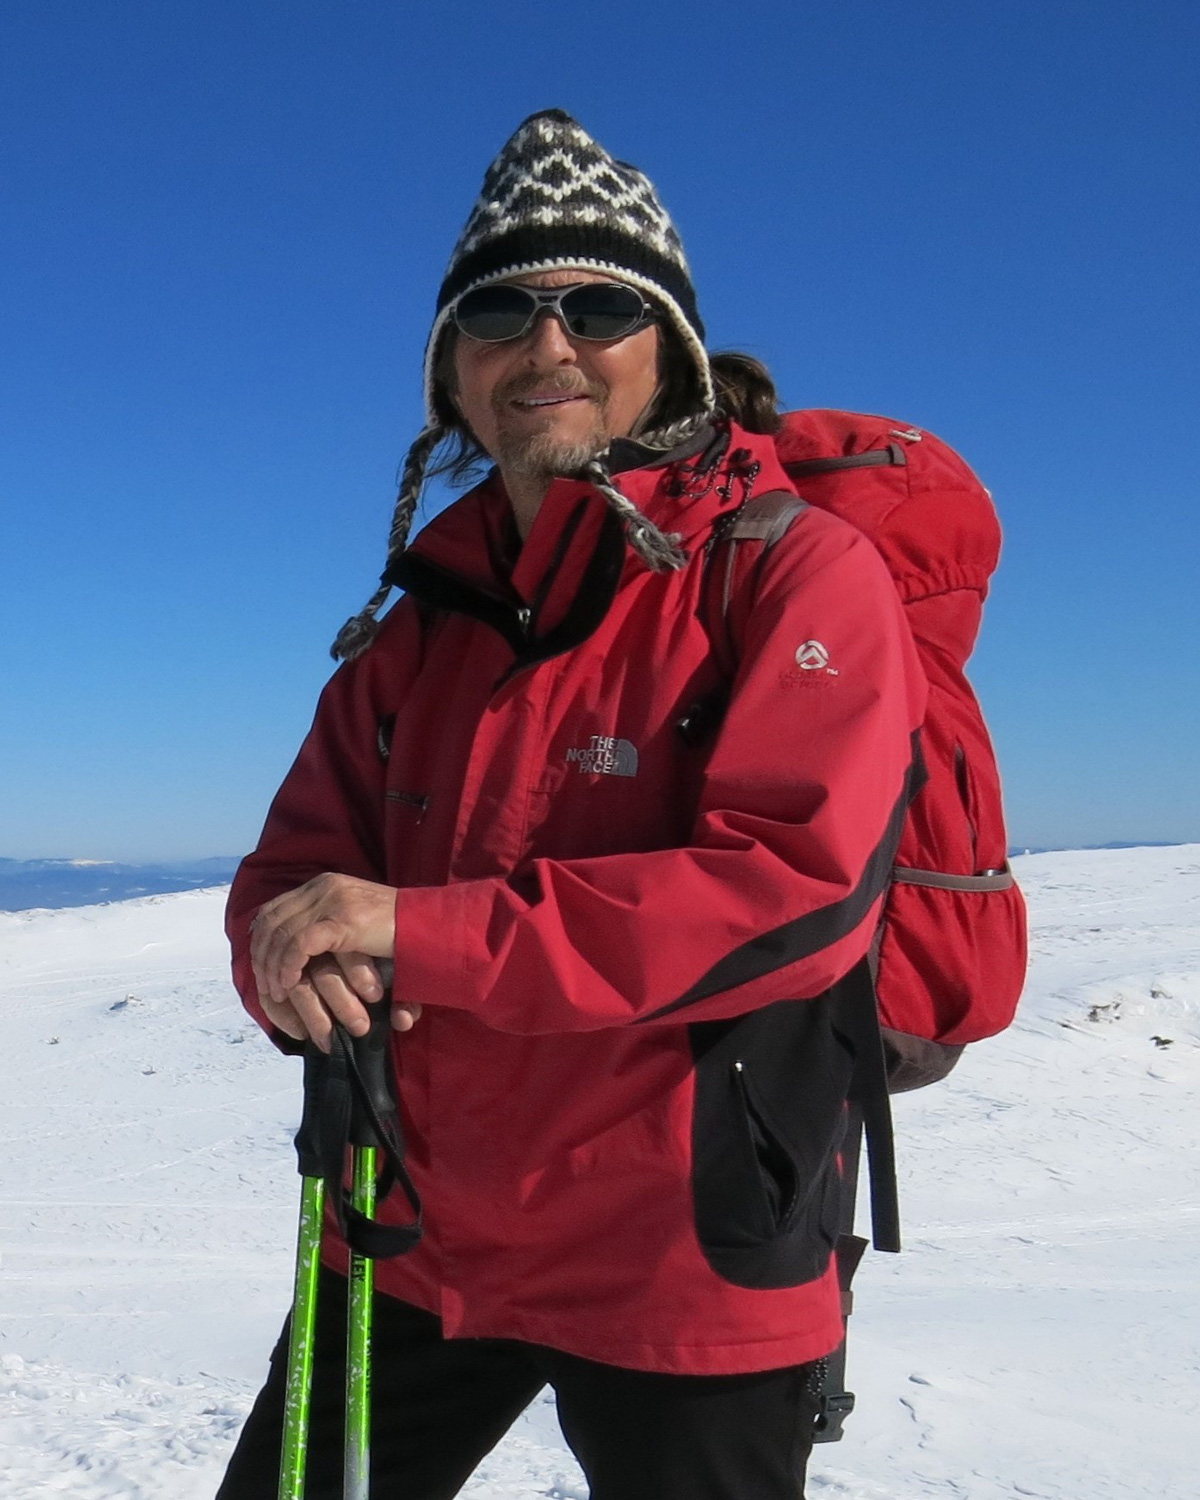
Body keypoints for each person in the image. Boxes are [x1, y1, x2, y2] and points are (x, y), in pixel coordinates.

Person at [218, 109, 926, 1499]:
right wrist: (285, 956)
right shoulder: (421, 626)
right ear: (452, 370)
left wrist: (416, 934)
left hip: (687, 1259)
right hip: (412, 1232)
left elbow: (794, 890)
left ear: (672, 353)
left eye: (599, 308)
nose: (547, 343)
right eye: (500, 311)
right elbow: (294, 873)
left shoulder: (794, 575)